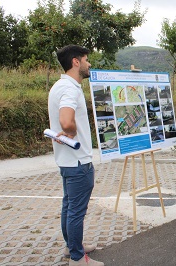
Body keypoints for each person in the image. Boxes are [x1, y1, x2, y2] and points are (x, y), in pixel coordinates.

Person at [48, 45, 104, 266]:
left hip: (66, 160)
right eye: (86, 59)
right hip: (78, 160)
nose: (89, 63)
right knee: (76, 212)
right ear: (76, 62)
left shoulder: (58, 86)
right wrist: (70, 131)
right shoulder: (70, 89)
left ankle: (72, 246)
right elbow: (66, 120)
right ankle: (78, 258)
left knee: (69, 207)